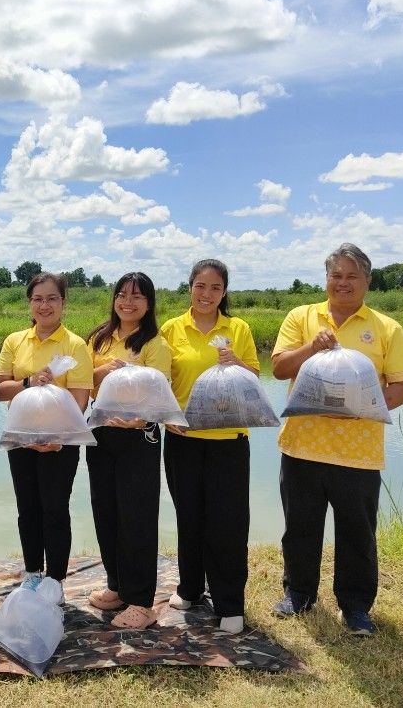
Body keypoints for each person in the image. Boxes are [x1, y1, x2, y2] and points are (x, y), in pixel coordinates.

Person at [271, 243, 403, 635]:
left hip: (359, 453)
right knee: (300, 526)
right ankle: (299, 594)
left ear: (367, 281)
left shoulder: (387, 327)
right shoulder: (301, 316)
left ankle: (355, 607)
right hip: (302, 445)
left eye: (352, 275)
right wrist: (311, 346)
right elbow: (279, 368)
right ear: (326, 279)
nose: (343, 283)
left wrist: (360, 407)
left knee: (357, 531)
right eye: (336, 275)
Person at [160, 259, 259, 635]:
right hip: (183, 439)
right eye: (200, 286)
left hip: (229, 441)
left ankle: (230, 602)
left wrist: (236, 363)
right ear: (190, 288)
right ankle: (189, 587)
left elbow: (253, 379)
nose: (207, 294)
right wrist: (166, 415)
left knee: (228, 524)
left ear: (224, 292)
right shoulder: (172, 328)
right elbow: (161, 380)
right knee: (190, 516)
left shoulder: (238, 329)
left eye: (215, 288)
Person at [0, 272, 93, 595]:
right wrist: (28, 381)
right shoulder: (15, 341)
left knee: (55, 508)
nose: (45, 305)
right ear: (29, 303)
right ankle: (33, 571)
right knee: (28, 508)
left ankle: (56, 579)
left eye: (52, 298)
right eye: (38, 298)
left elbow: (79, 400)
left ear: (63, 303)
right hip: (21, 438)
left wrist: (59, 438)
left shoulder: (75, 345)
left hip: (59, 442)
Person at [84, 272, 171, 629]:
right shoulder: (98, 338)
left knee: (137, 516)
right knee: (106, 511)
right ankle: (117, 586)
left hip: (140, 436)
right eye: (122, 295)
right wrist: (103, 370)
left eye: (137, 297)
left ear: (149, 303)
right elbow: (84, 386)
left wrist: (139, 419)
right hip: (102, 432)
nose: (128, 303)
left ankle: (141, 601)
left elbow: (160, 392)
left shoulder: (155, 343)